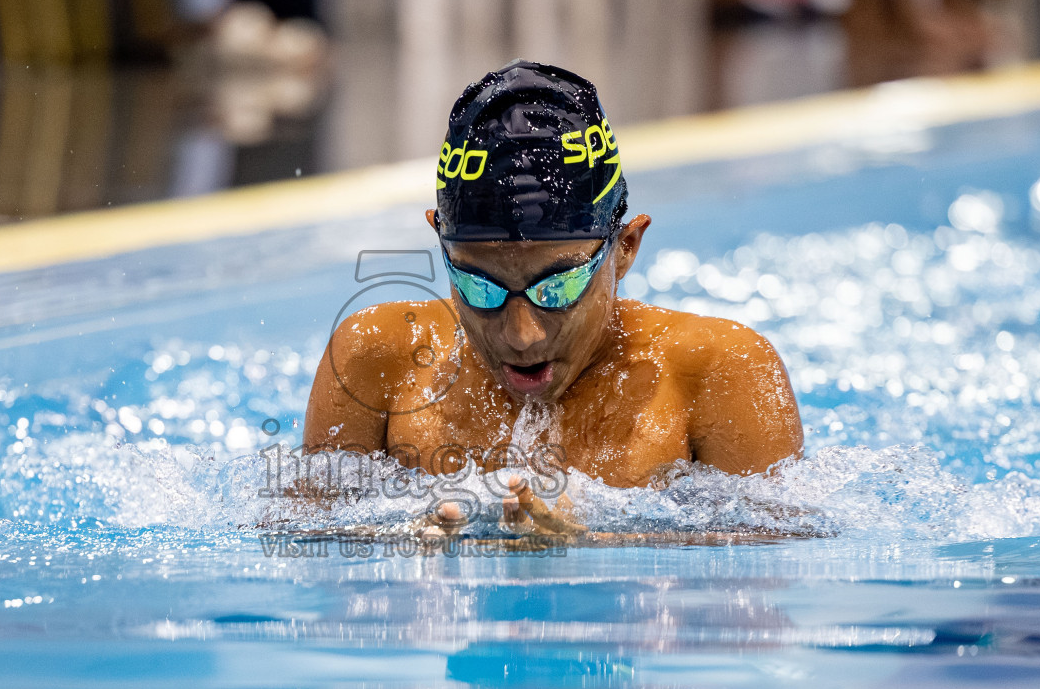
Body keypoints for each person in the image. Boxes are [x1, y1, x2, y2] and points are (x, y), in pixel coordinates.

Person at [303, 62, 803, 532]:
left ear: (624, 249)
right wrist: (398, 543)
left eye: (557, 287)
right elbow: (299, 541)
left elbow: (773, 563)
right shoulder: (376, 357)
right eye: (481, 287)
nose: (522, 335)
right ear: (441, 244)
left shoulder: (719, 371)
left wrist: (590, 544)